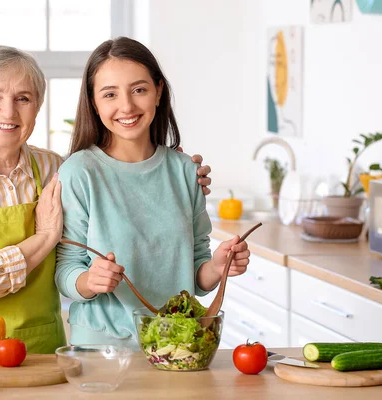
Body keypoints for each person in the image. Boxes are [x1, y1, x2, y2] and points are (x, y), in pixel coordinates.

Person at [0, 45, 212, 358]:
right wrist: (45, 237)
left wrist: (177, 177)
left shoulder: (56, 169)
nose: (9, 112)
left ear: (37, 107)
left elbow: (119, 181)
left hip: (36, 347)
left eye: (23, 98)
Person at [55, 37, 251, 349]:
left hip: (178, 346)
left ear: (158, 92)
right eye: (110, 94)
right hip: (102, 349)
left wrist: (218, 265)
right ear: (94, 102)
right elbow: (66, 269)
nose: (127, 106)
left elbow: (197, 273)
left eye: (139, 89)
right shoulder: (79, 172)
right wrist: (89, 281)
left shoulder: (186, 172)